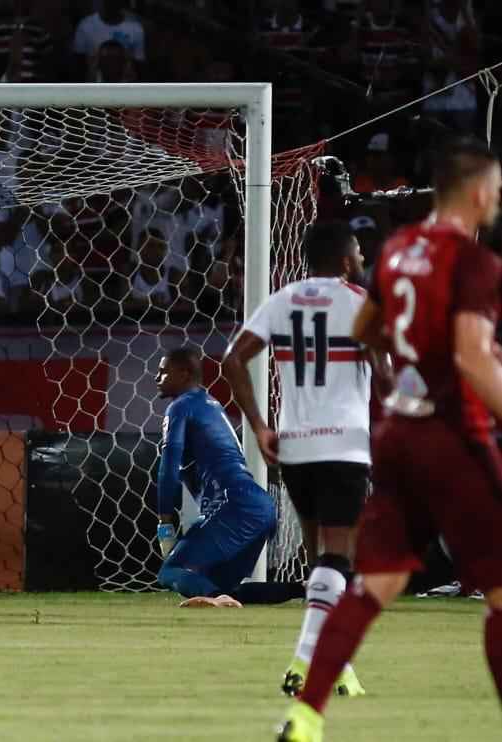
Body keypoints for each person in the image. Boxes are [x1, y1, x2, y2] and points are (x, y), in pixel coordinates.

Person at [276, 137, 502, 741]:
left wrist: (403, 373)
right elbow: (475, 361)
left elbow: (366, 329)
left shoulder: (398, 250)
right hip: (453, 435)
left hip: (398, 433)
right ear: (480, 193)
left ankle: (305, 714)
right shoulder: (476, 263)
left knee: (373, 583)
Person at [224, 221, 383, 699]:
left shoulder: (282, 299)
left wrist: (259, 426)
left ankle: (341, 667)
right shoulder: (359, 302)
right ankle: (305, 661)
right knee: (340, 559)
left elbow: (232, 360)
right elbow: (388, 373)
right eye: (357, 253)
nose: (360, 260)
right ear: (343, 260)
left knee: (320, 563)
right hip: (344, 446)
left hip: (294, 446)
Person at [154, 347, 300, 607]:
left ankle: (213, 601)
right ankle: (304, 588)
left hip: (232, 505)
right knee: (227, 589)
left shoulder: (180, 407)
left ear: (184, 373)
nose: (157, 377)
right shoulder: (211, 405)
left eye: (163, 372)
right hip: (260, 507)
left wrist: (164, 521)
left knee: (170, 572)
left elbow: (169, 465)